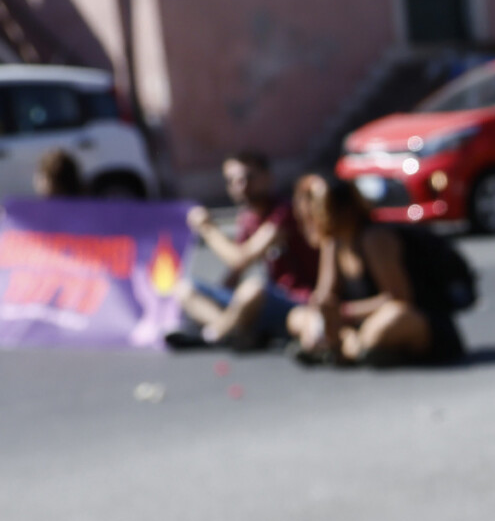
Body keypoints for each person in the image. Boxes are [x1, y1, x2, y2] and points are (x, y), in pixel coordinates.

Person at [285, 174, 435, 367]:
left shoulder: (373, 238)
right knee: (297, 317)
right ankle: (347, 345)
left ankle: (349, 345)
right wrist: (324, 313)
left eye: (320, 210)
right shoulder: (333, 242)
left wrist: (345, 313)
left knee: (390, 320)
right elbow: (326, 294)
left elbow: (399, 299)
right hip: (355, 322)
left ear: (344, 209)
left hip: (408, 319)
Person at [175, 151, 317, 351]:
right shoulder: (248, 217)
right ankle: (233, 331)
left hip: (295, 299)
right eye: (232, 181)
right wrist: (226, 301)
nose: (241, 186)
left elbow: (240, 259)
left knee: (253, 289)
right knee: (184, 289)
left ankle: (212, 335)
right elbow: (235, 274)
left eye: (248, 178)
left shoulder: (284, 212)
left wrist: (208, 229)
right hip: (262, 302)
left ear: (268, 177)